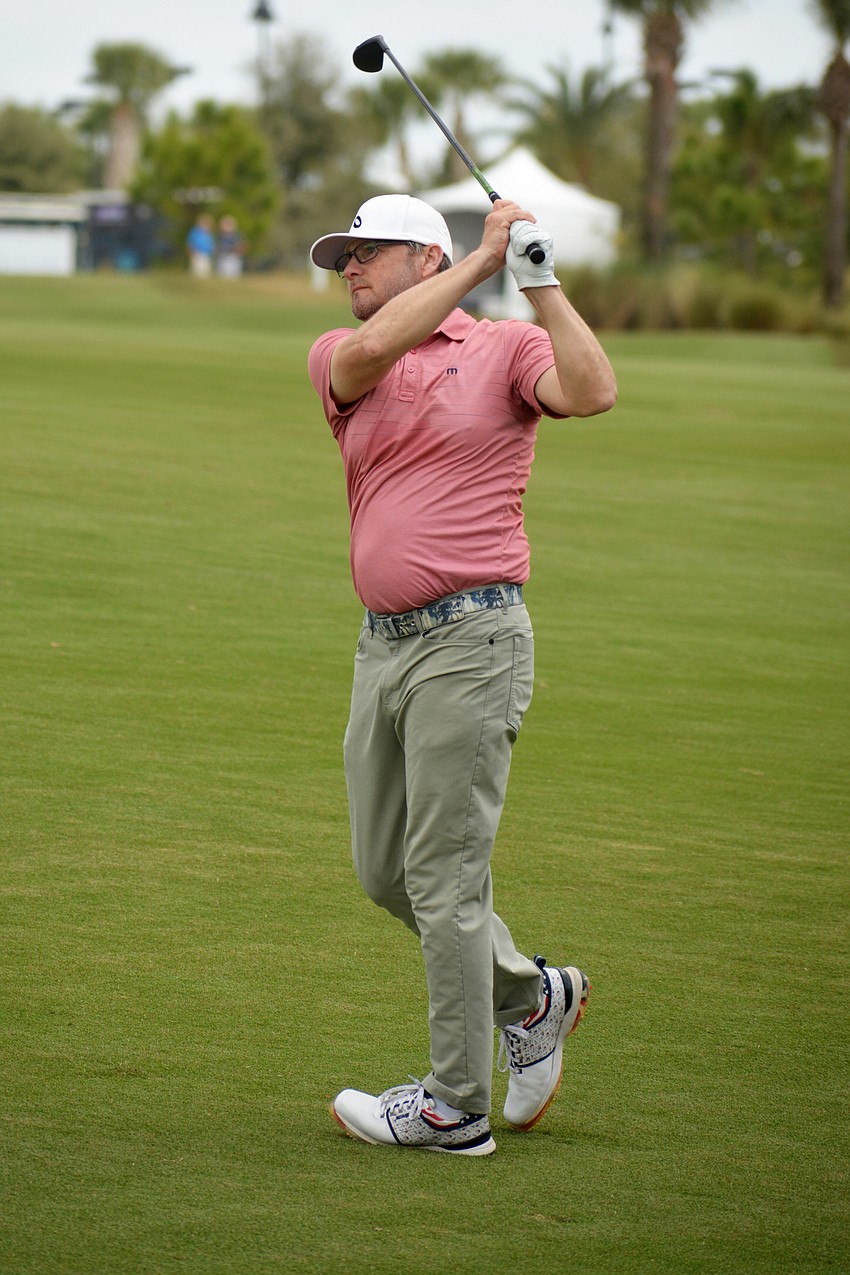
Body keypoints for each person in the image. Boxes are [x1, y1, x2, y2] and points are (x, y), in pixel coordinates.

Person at [307, 193, 617, 1156]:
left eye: (369, 252)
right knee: (383, 871)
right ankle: (533, 998)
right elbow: (366, 356)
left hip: (474, 641)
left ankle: (454, 1105)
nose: (349, 269)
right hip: (383, 644)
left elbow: (593, 390)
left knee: (443, 877)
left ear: (424, 253)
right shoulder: (339, 354)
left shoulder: (503, 350)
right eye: (344, 256)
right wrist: (480, 261)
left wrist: (540, 280)